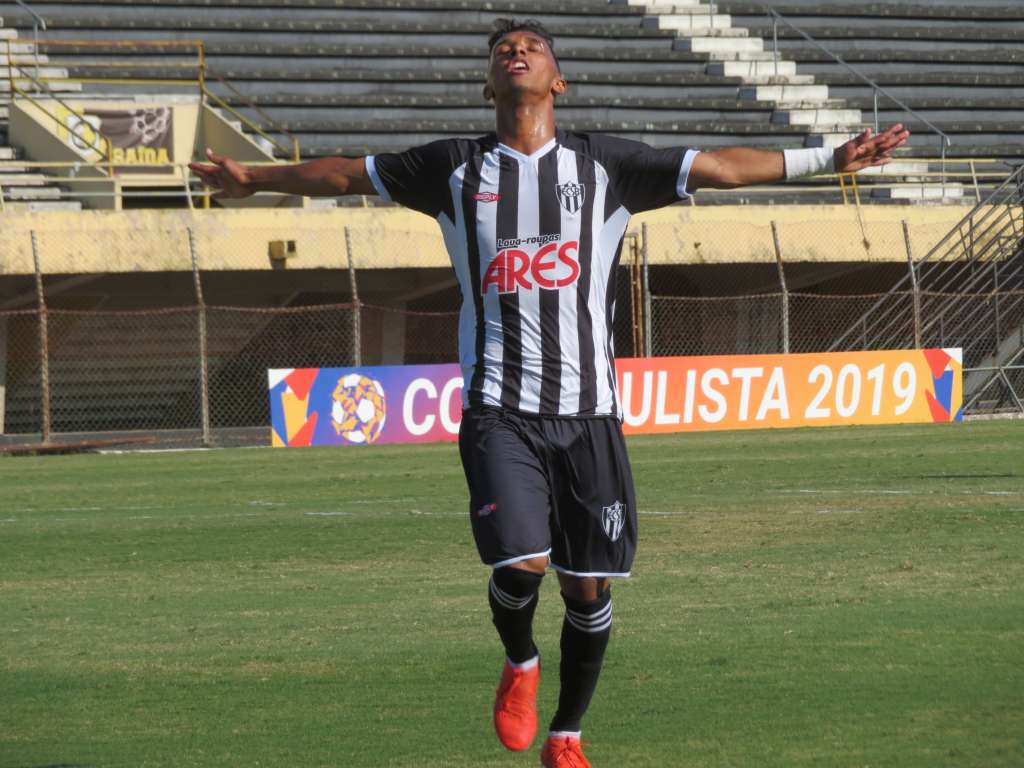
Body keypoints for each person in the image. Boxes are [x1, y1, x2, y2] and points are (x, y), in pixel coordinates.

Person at [190, 17, 908, 767]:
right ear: (489, 84)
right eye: (504, 50)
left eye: (533, 48)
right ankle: (521, 663)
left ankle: (566, 733)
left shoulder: (607, 167)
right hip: (500, 408)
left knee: (589, 589)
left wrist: (829, 157)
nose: (518, 52)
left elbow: (722, 168)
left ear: (557, 81)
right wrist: (253, 179)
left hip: (589, 414)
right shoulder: (453, 169)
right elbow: (344, 173)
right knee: (524, 560)